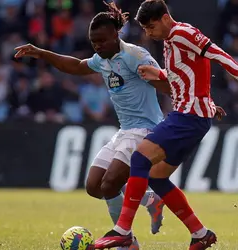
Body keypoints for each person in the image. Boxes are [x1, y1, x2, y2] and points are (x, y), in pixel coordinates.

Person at [14, 6, 171, 249]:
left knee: (110, 185)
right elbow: (76, 66)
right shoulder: (102, 60)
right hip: (124, 130)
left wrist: (192, 103)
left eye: (102, 40)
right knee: (94, 186)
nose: (97, 46)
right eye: (93, 41)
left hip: (146, 131)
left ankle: (127, 241)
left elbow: (166, 84)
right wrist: (41, 53)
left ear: (116, 36)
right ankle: (151, 200)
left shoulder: (135, 55)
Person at [94, 1, 237, 249]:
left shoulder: (183, 33)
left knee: (139, 159)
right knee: (155, 176)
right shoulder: (171, 41)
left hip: (187, 117)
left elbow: (217, 55)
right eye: (146, 30)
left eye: (151, 27)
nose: (149, 34)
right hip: (190, 116)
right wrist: (159, 75)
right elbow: (186, 76)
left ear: (164, 18)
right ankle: (200, 234)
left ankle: (123, 231)